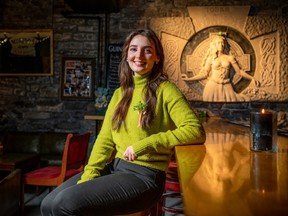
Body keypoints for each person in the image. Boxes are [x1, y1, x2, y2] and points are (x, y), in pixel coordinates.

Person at [40, 29, 206, 216]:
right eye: (134, 49)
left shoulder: (166, 90)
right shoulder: (120, 93)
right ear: (127, 54)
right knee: (48, 204)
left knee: (65, 203)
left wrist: (146, 144)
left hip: (145, 176)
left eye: (147, 50)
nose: (139, 56)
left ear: (157, 57)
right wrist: (90, 174)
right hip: (116, 168)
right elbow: (105, 140)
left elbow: (195, 130)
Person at [181, 33, 259, 102]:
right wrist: (189, 79)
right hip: (212, 86)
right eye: (218, 43)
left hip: (227, 86)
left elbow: (239, 72)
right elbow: (204, 74)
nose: (221, 45)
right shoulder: (211, 58)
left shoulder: (230, 58)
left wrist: (252, 78)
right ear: (214, 45)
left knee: (234, 103)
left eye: (222, 43)